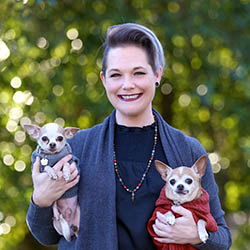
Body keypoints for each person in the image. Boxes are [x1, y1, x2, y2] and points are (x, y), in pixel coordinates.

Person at [26, 23, 232, 250]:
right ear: (104, 80)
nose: (127, 85)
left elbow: (222, 238)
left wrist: (197, 235)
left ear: (157, 74)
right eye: (116, 75)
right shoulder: (75, 148)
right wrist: (41, 200)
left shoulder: (188, 150)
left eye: (139, 73)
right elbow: (46, 236)